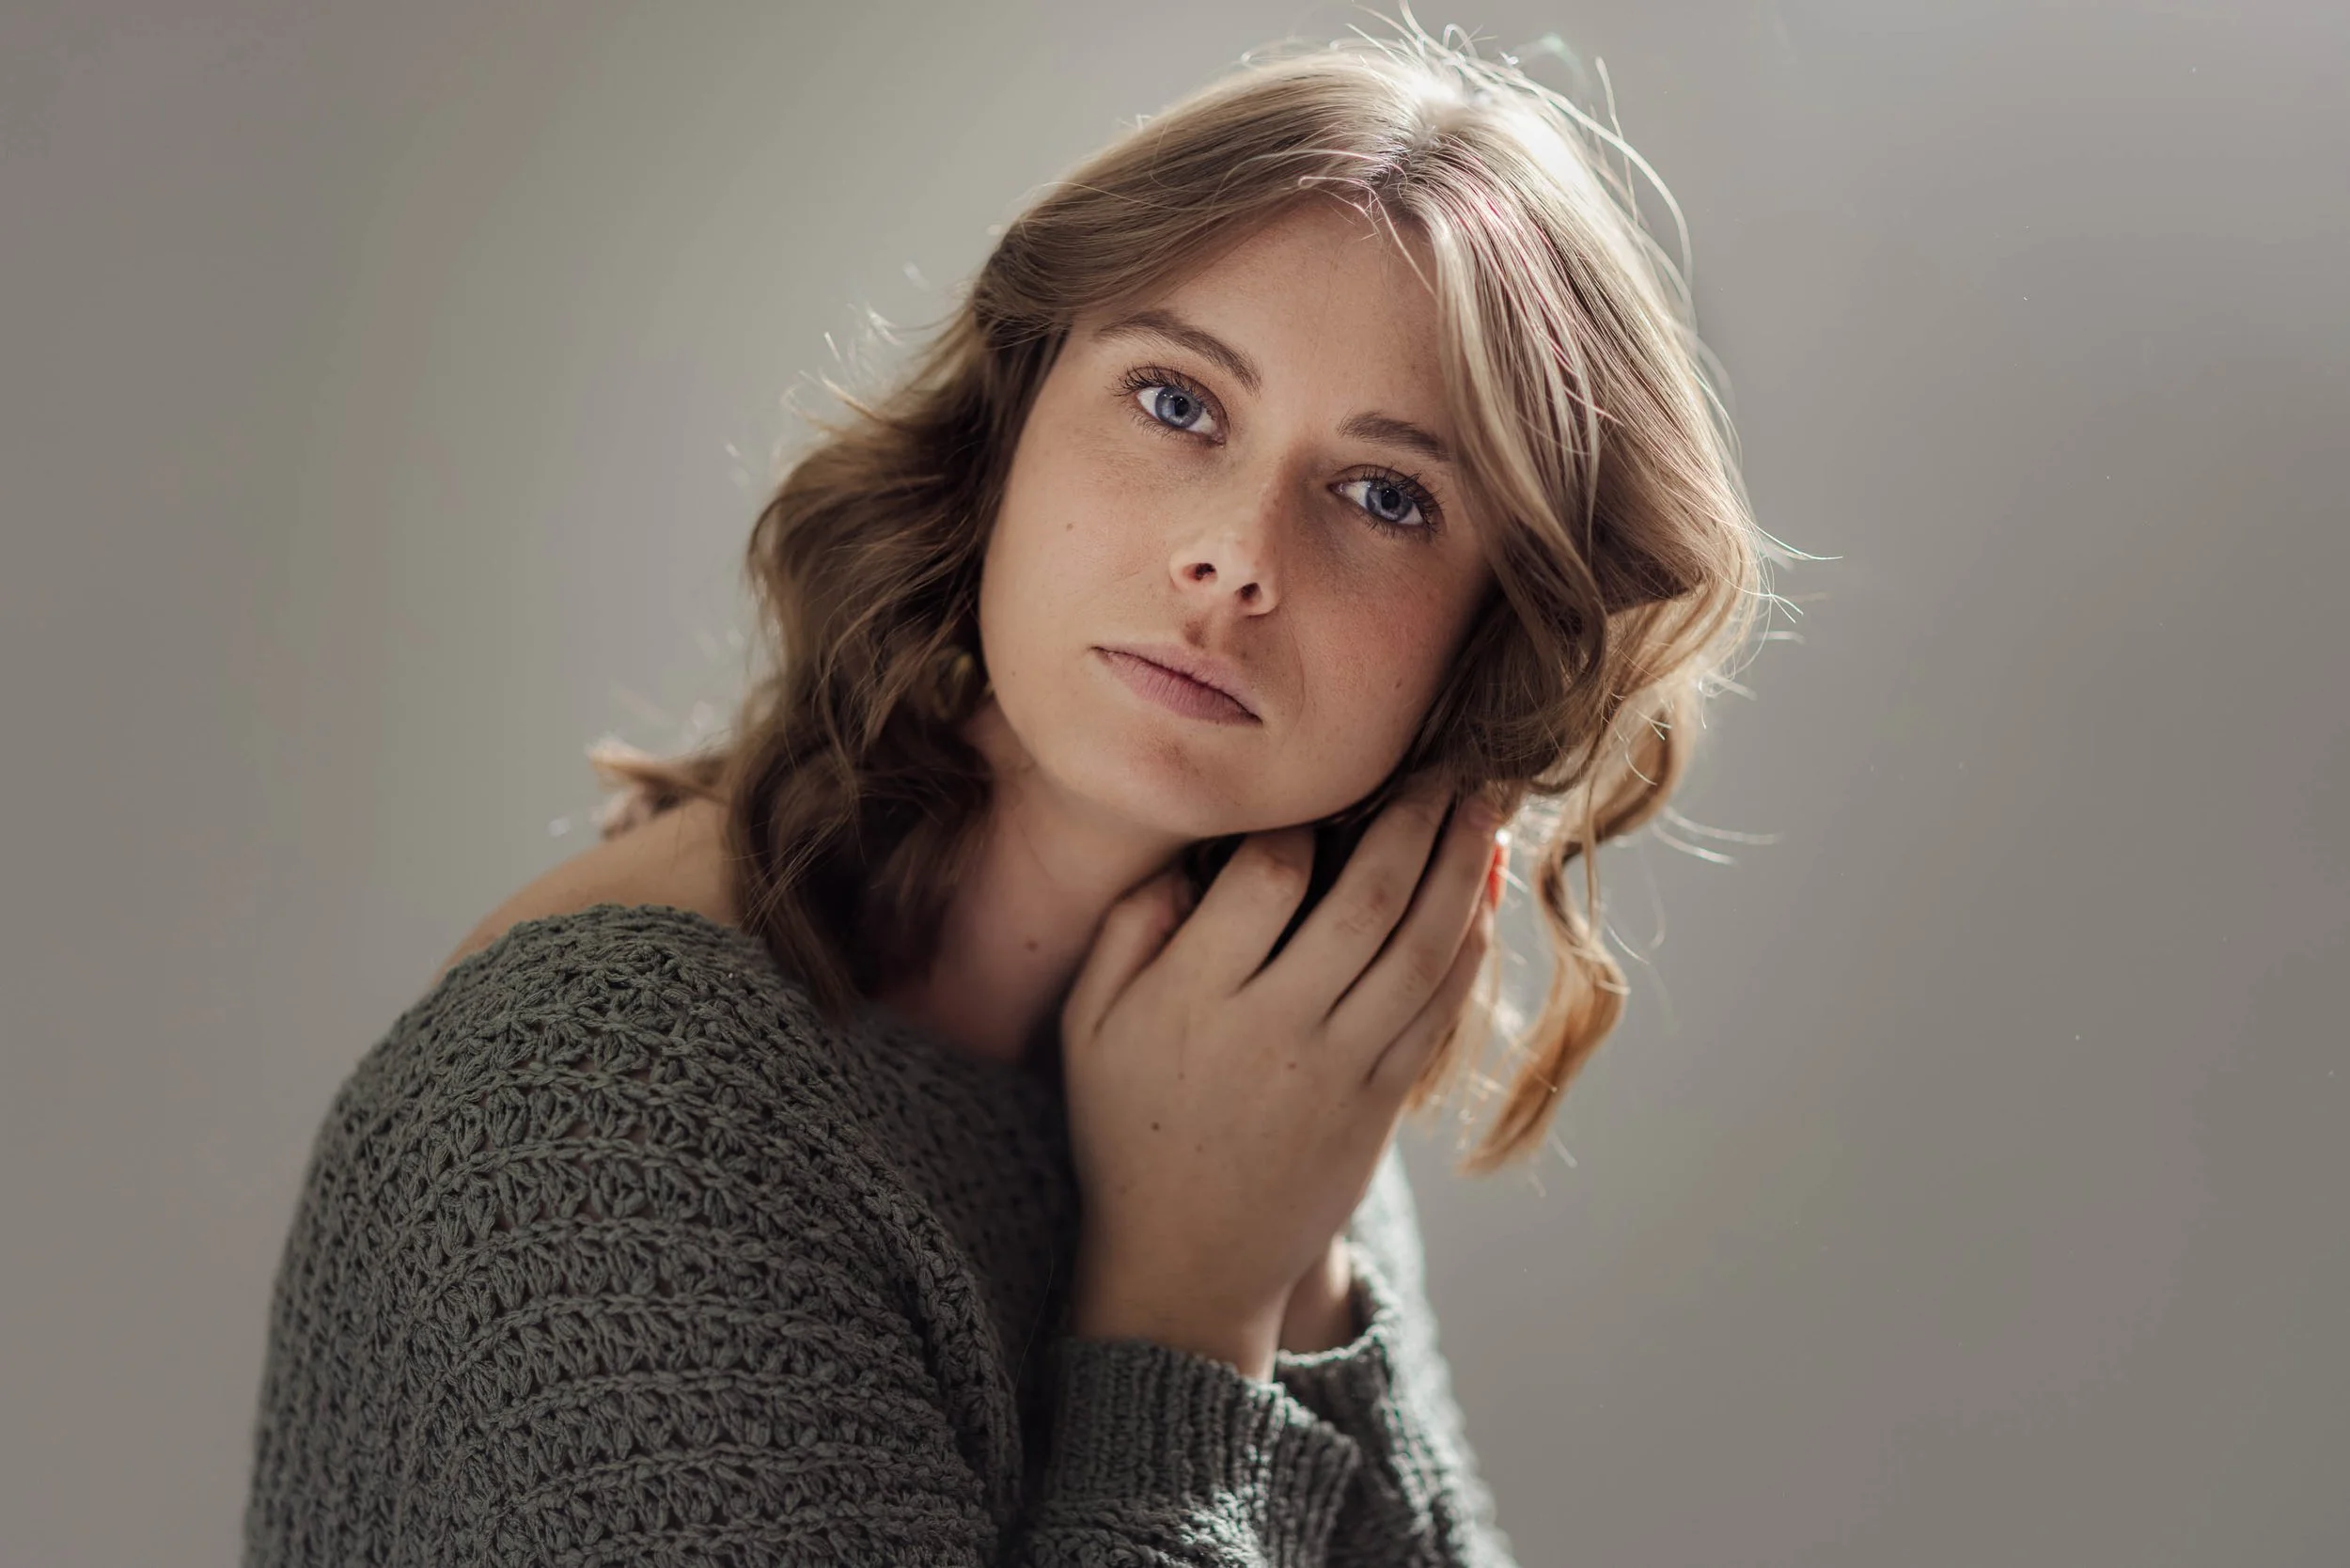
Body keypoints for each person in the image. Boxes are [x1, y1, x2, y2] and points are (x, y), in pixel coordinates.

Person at [242, 18, 1775, 1566]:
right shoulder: (597, 1115)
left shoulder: (1240, 1054)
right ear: (1015, 413)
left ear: (1485, 640)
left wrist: (1295, 1281)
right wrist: (1190, 1321)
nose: (1238, 557)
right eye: (1178, 403)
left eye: (1386, 495)